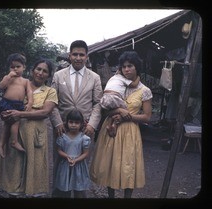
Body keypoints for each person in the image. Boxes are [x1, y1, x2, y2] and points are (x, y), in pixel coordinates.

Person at [89, 51, 153, 198]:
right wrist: (117, 110)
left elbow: (147, 117)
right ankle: (111, 197)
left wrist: (128, 116)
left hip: (130, 132)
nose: (127, 69)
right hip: (111, 129)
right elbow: (105, 111)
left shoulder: (144, 90)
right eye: (124, 67)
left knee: (128, 166)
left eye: (130, 66)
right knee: (111, 165)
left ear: (137, 67)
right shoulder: (116, 85)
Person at [0, 59, 58, 197]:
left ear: (49, 75)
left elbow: (45, 112)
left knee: (34, 167)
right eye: (38, 69)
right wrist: (5, 113)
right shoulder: (20, 83)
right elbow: (6, 101)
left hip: (35, 135)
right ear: (32, 70)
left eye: (45, 71)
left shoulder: (50, 91)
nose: (40, 73)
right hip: (14, 134)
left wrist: (20, 113)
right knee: (14, 169)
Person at [50, 40, 103, 197]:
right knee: (60, 164)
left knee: (81, 165)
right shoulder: (59, 75)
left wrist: (92, 125)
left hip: (85, 129)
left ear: (86, 57)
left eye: (81, 54)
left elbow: (98, 103)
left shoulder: (94, 77)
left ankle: (80, 196)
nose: (78, 58)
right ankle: (59, 196)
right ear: (69, 56)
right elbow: (51, 102)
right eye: (75, 54)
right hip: (62, 129)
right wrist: (58, 122)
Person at [0, 53, 33, 157]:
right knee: (15, 121)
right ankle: (14, 141)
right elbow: (1, 86)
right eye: (12, 67)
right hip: (7, 103)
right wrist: (8, 77)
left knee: (8, 124)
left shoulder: (25, 81)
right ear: (9, 68)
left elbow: (29, 92)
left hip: (18, 105)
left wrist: (30, 102)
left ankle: (0, 145)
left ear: (24, 67)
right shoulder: (8, 78)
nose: (15, 69)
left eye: (18, 66)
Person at [54, 109, 91, 198]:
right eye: (71, 122)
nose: (73, 125)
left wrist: (76, 160)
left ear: (81, 124)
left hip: (78, 167)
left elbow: (86, 153)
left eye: (77, 123)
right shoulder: (62, 137)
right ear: (67, 123)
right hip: (65, 166)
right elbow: (59, 150)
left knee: (78, 190)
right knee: (65, 190)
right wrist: (67, 157)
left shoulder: (84, 138)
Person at [101, 70, 140, 137]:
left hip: (105, 98)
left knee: (113, 111)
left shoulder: (113, 77)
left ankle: (109, 125)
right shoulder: (122, 78)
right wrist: (138, 77)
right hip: (114, 97)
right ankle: (115, 124)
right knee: (124, 111)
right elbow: (134, 84)